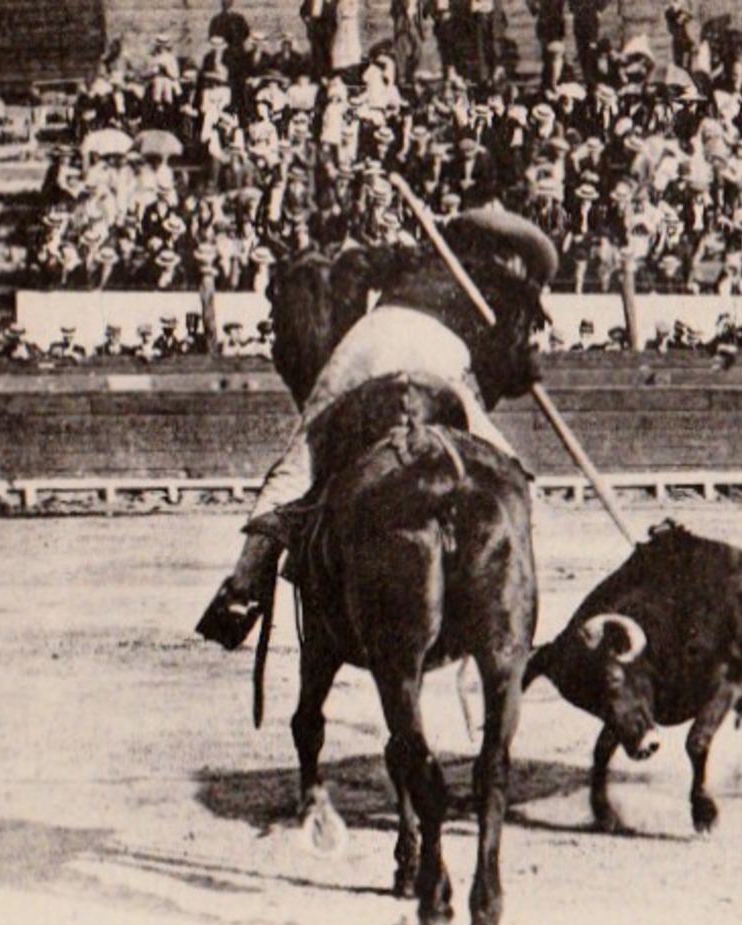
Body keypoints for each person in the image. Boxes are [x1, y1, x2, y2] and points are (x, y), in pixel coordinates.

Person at [197, 209, 559, 650]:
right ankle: (505, 590)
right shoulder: (513, 294)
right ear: (521, 261)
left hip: (366, 343)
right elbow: (511, 372)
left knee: (302, 455)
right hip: (438, 358)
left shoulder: (418, 256)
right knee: (510, 472)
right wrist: (523, 366)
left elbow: (348, 272)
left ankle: (244, 586)